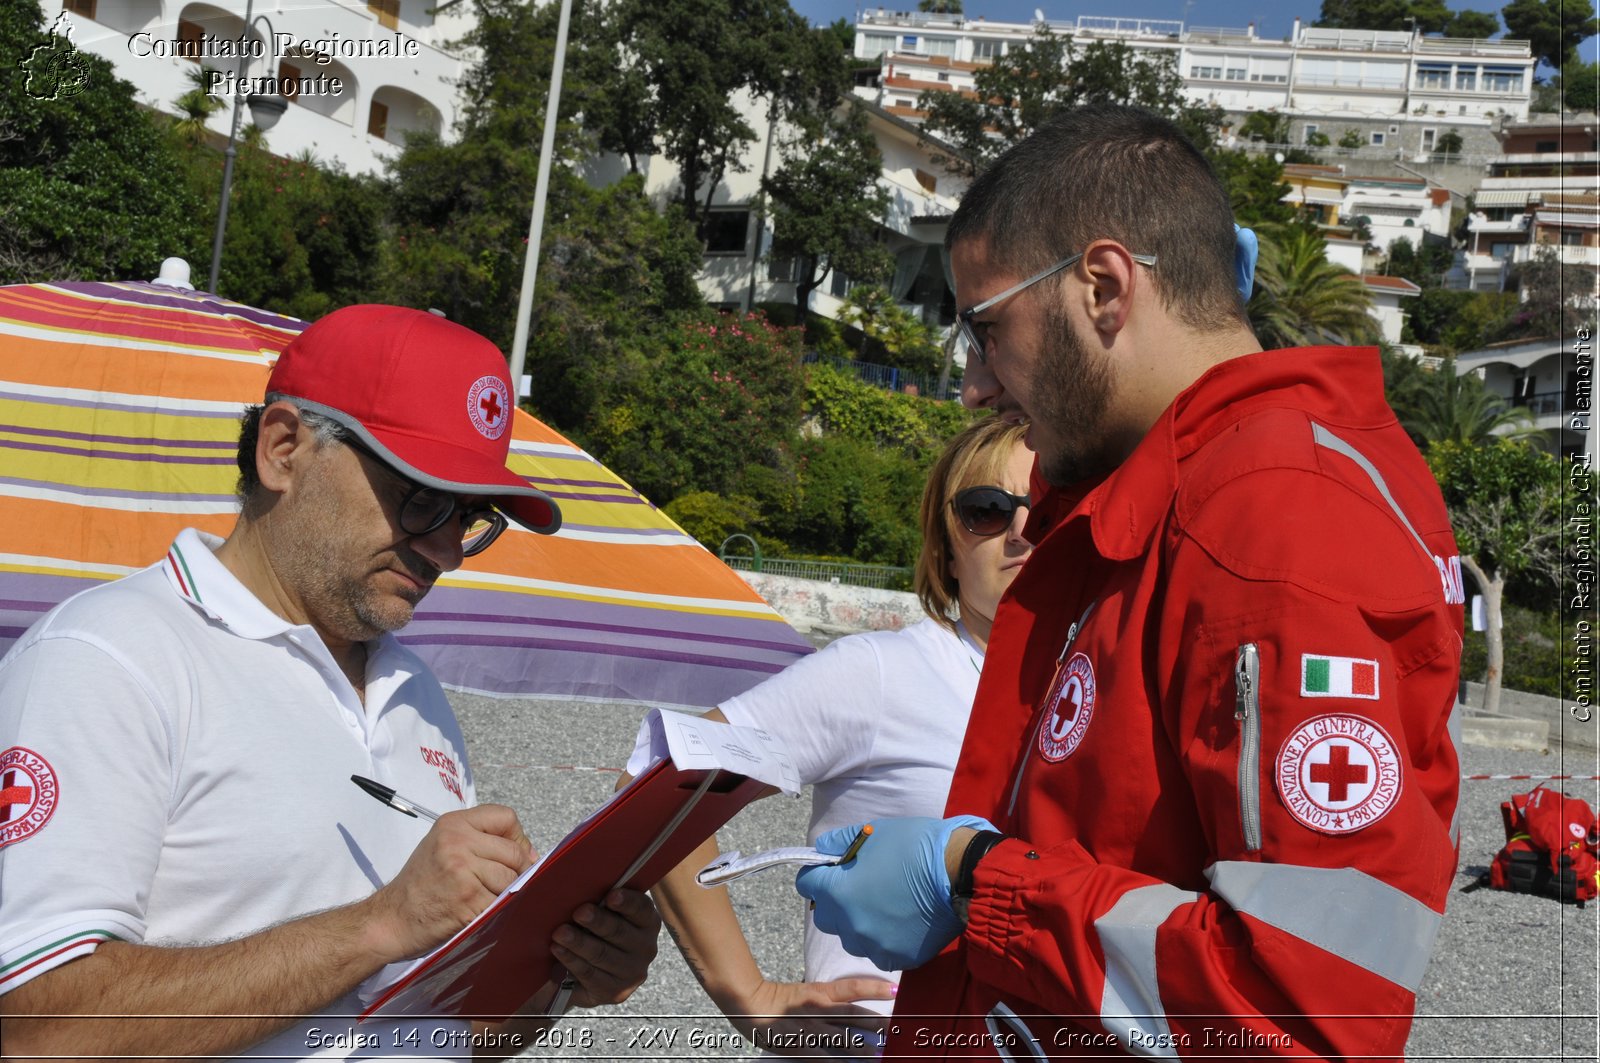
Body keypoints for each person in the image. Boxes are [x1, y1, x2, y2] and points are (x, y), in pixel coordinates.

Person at [795, 104, 1466, 1059]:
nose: (975, 385)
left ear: (1104, 287)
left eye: (986, 330)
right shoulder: (1183, 487)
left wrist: (977, 879)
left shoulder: (1274, 518)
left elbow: (1306, 1010)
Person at [0, 305, 661, 1060]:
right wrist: (378, 923)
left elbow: (443, 1028)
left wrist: (559, 974)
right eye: (422, 498)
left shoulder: (414, 690)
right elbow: (36, 1025)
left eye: (470, 516)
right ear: (283, 450)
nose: (447, 550)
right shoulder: (108, 658)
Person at [648, 417, 1033, 1055]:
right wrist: (749, 995)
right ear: (945, 546)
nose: (1022, 532)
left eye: (1045, 507)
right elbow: (665, 778)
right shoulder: (884, 672)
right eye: (987, 510)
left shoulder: (1099, 692)